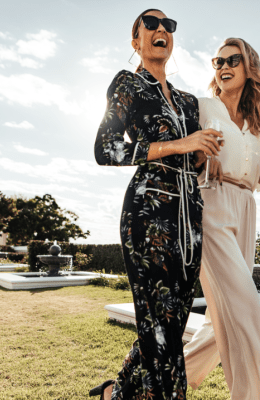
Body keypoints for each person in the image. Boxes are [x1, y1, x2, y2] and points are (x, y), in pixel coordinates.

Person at [91, 9, 223, 400]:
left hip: (190, 215)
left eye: (169, 26)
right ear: (136, 41)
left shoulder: (187, 101)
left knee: (170, 320)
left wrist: (201, 154)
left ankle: (116, 393)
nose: (161, 29)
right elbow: (105, 149)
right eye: (150, 24)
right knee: (159, 327)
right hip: (148, 213)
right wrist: (181, 144)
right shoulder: (128, 84)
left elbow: (194, 161)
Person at [183, 38, 260, 400]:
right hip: (212, 203)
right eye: (218, 61)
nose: (223, 66)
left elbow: (252, 177)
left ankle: (140, 388)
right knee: (247, 309)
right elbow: (182, 154)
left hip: (246, 207)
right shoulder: (203, 107)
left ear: (249, 68)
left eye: (233, 59)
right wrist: (200, 156)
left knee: (219, 322)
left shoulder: (253, 123)